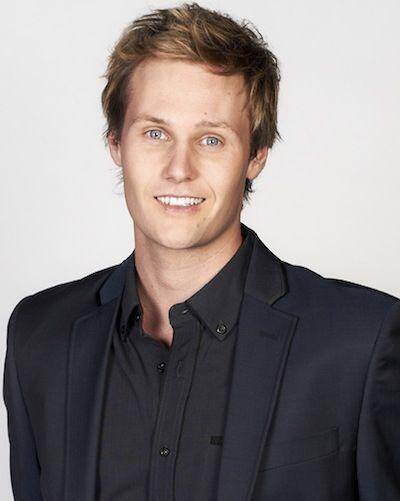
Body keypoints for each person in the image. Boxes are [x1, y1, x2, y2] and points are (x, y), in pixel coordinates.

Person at [3, 3, 400, 500]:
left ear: (256, 156)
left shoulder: (362, 342)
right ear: (115, 143)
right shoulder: (39, 336)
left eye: (211, 139)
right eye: (155, 133)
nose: (179, 169)